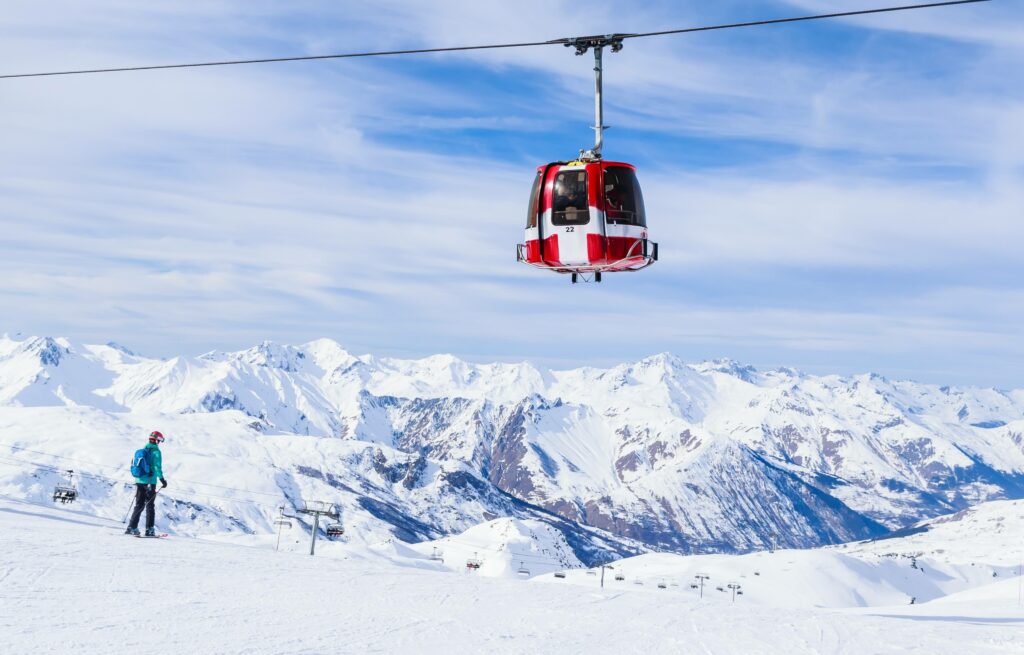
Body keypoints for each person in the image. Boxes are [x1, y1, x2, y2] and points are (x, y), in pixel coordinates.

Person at [125, 430, 167, 537]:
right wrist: (162, 480)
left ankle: (131, 527)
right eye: (159, 441)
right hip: (150, 482)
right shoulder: (156, 452)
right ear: (157, 440)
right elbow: (157, 467)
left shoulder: (143, 450)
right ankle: (150, 530)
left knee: (139, 504)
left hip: (139, 480)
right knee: (149, 506)